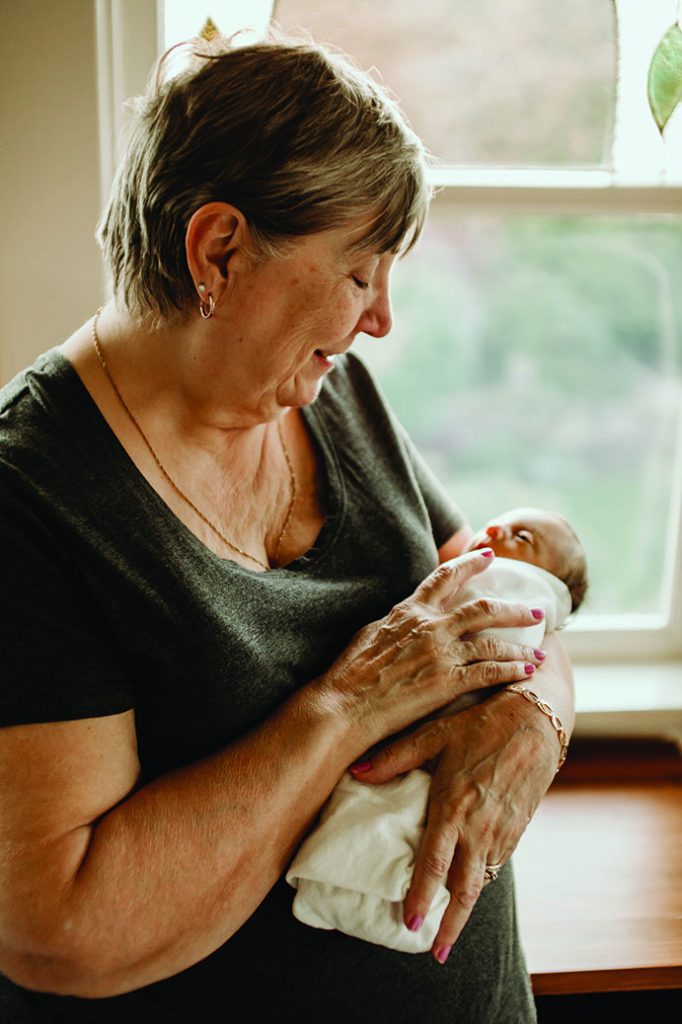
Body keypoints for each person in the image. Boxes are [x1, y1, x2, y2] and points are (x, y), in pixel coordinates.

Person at [0, 33, 575, 1024]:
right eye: (359, 274)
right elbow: (60, 929)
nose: (381, 319)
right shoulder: (32, 501)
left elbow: (502, 597)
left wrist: (536, 719)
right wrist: (343, 708)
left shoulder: (329, 393)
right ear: (217, 249)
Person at [287, 508, 587, 953]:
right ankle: (364, 892)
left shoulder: (510, 581)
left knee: (413, 825)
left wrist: (539, 717)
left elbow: (521, 625)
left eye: (520, 536)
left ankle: (360, 889)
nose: (494, 529)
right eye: (500, 521)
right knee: (386, 815)